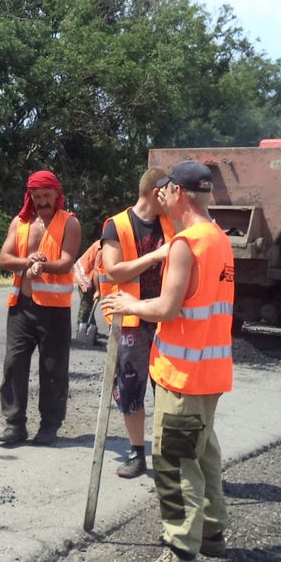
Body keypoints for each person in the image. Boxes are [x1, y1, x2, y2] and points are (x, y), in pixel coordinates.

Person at [101, 160, 234, 562]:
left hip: (183, 374)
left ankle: (180, 549)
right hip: (211, 373)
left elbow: (166, 307)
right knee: (204, 454)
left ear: (177, 192)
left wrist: (128, 305)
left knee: (175, 462)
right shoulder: (218, 239)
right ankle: (212, 534)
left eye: (168, 192)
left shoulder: (186, 244)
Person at [95, 167, 175, 479]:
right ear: (157, 192)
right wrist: (156, 256)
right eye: (168, 190)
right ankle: (136, 452)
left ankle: (168, 455)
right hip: (130, 321)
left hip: (165, 317)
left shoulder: (170, 223)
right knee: (130, 389)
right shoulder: (116, 225)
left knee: (167, 387)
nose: (172, 196)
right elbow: (113, 272)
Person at [0, 170, 82, 446]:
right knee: (14, 364)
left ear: (57, 193)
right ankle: (15, 424)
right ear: (30, 196)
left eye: (47, 196)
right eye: (38, 196)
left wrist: (41, 266)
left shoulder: (70, 223)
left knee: (53, 368)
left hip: (54, 309)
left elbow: (67, 262)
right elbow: (4, 258)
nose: (43, 202)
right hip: (21, 306)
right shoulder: (20, 223)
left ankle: (49, 425)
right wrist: (27, 262)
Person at [73, 238, 102, 342]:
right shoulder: (102, 247)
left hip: (87, 270)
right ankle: (81, 328)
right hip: (85, 272)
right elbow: (96, 271)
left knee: (89, 303)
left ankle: (90, 327)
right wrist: (98, 290)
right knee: (86, 303)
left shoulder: (106, 243)